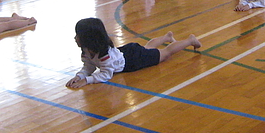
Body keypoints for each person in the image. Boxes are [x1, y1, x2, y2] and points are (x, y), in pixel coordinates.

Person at [65, 17, 200, 88]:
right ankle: (167, 37)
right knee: (146, 48)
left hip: (132, 60)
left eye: (78, 35)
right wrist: (80, 76)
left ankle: (189, 40)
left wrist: (88, 80)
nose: (75, 38)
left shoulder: (105, 55)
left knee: (165, 53)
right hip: (126, 53)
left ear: (89, 39)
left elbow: (106, 75)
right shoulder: (87, 50)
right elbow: (89, 66)